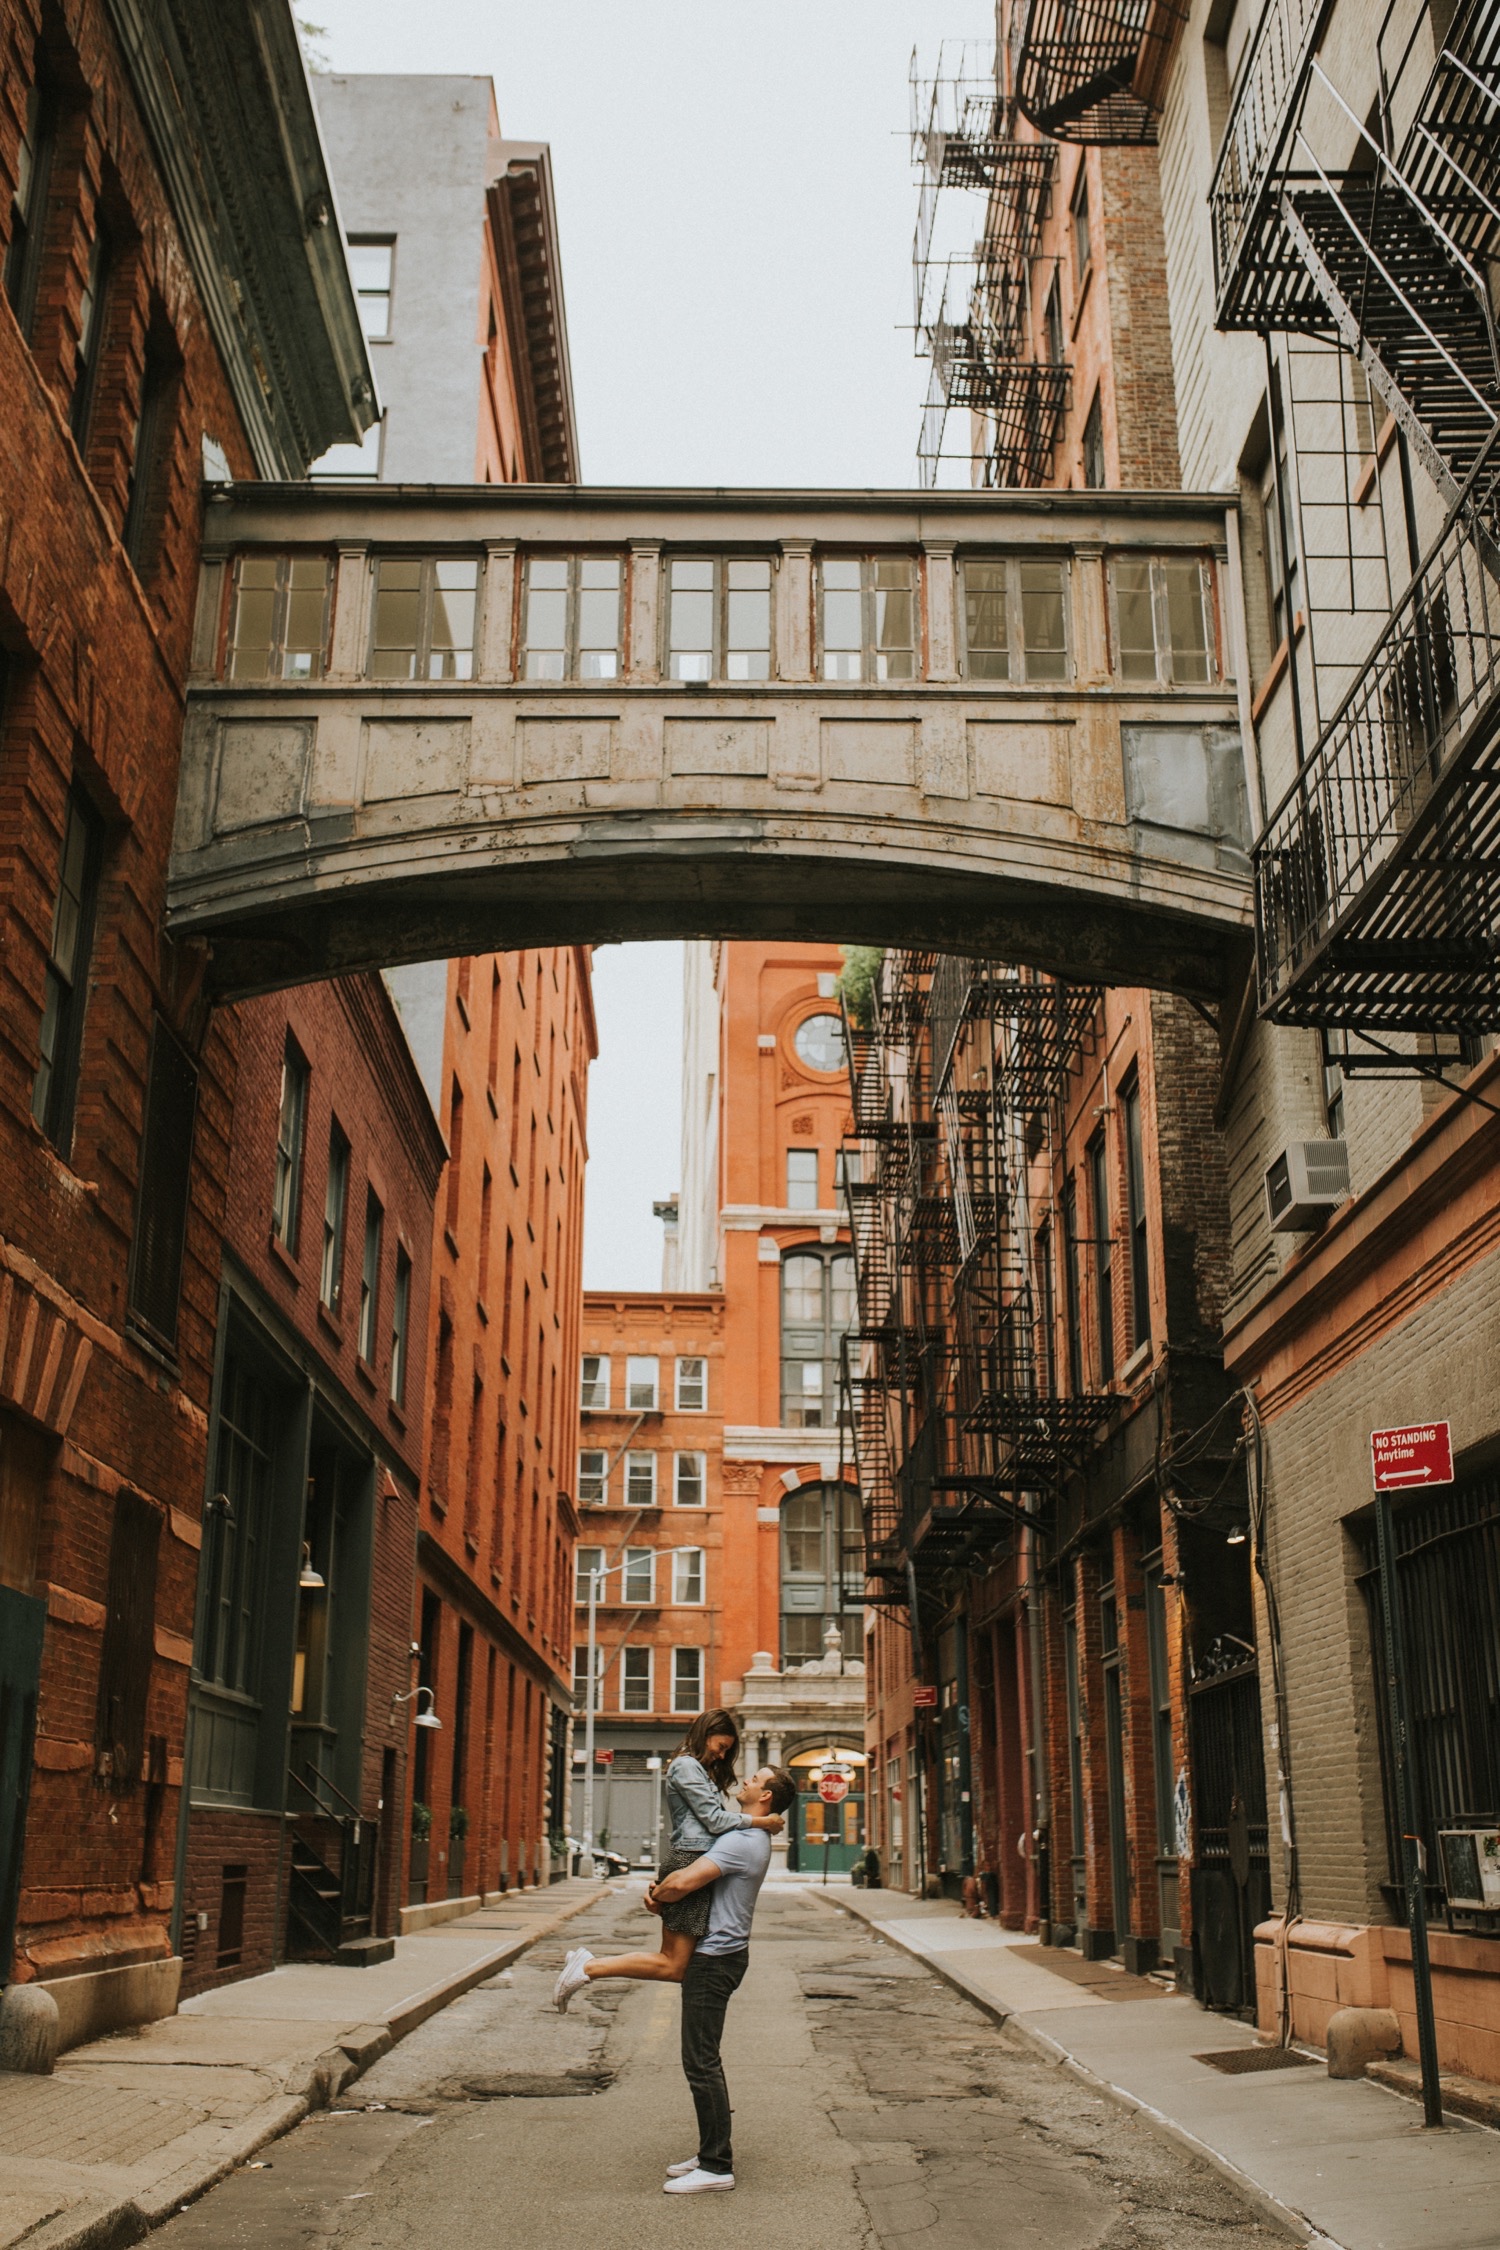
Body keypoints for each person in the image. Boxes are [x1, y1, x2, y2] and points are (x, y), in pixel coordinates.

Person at [553, 1709, 781, 2002]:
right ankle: (588, 1967)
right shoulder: (685, 1766)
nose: (723, 1756)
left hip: (695, 1859)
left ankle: (588, 1965)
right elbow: (713, 1819)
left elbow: (714, 1819)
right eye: (721, 1747)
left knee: (682, 1963)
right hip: (689, 1857)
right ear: (705, 1734)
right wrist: (763, 1821)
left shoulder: (698, 1769)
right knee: (674, 1964)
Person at [649, 1764, 796, 2194]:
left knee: (700, 2061)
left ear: (765, 1797)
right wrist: (665, 1890)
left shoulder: (741, 1840)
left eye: (754, 1779)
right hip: (722, 1957)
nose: (746, 1781)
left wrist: (658, 1893)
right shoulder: (750, 1836)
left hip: (714, 1959)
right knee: (703, 2058)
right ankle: (710, 2149)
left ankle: (716, 2167)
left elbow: (684, 1883)